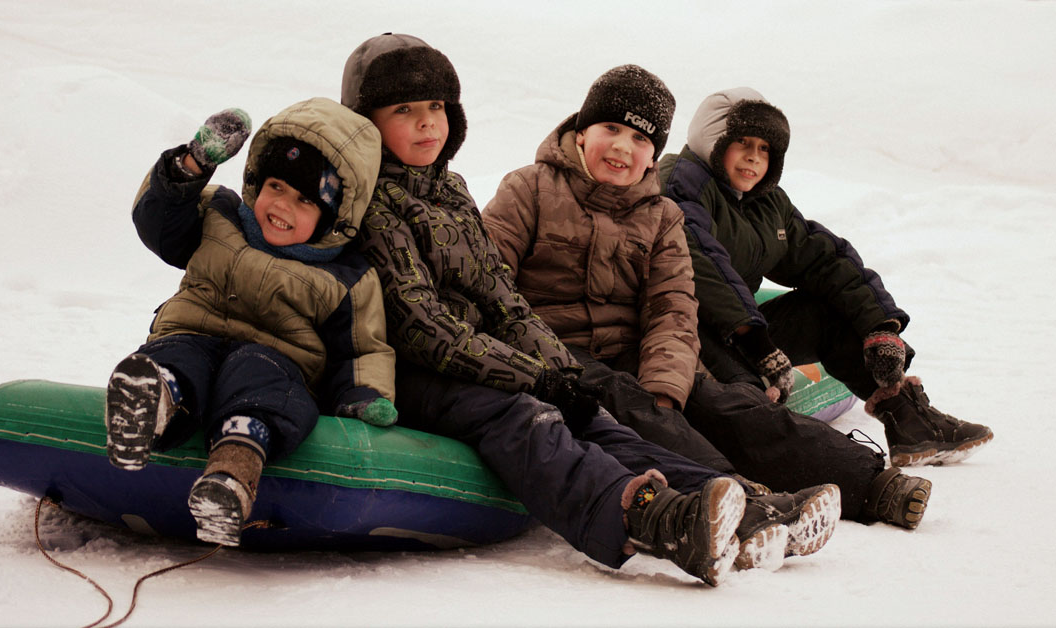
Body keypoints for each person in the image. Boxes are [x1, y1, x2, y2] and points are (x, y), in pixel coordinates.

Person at [341, 33, 841, 584]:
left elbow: (504, 301)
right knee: (535, 418)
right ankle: (660, 518)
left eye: (437, 107)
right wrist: (536, 373)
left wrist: (563, 373)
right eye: (404, 110)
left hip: (515, 353)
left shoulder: (452, 191)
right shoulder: (378, 202)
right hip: (421, 367)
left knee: (605, 416)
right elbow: (423, 324)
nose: (428, 123)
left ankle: (740, 502)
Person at [483, 65, 930, 531]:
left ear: (653, 154)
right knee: (627, 403)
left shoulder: (661, 215)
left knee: (726, 406)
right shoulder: (528, 190)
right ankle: (741, 498)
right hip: (553, 351)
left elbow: (673, 309)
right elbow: (489, 283)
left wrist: (667, 385)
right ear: (580, 133)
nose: (622, 147)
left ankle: (870, 483)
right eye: (610, 129)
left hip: (636, 351)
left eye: (639, 139)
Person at [105, 97, 398, 547]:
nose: (282, 206)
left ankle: (230, 480)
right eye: (276, 186)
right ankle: (151, 401)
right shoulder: (220, 214)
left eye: (305, 200)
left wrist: (364, 396)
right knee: (178, 354)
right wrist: (192, 164)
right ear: (256, 180)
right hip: (192, 334)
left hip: (279, 365)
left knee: (262, 378)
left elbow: (361, 348)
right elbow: (156, 222)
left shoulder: (346, 278)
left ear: (334, 218)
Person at [656, 87, 994, 469]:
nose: (754, 156)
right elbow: (702, 266)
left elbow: (822, 257)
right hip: (684, 335)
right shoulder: (679, 184)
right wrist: (759, 346)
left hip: (740, 336)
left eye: (765, 148)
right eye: (742, 143)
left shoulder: (765, 200)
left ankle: (908, 419)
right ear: (712, 140)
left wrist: (879, 325)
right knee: (742, 403)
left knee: (821, 309)